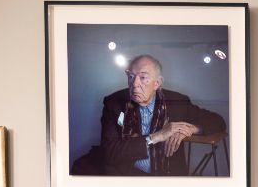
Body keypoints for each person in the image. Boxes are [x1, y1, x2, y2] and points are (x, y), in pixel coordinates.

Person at [91, 54, 226, 176]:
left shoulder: (177, 102)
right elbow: (109, 152)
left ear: (157, 83)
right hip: (127, 175)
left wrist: (189, 129)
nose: (135, 84)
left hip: (167, 177)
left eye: (143, 78)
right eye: (131, 77)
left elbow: (218, 121)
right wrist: (158, 136)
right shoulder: (114, 103)